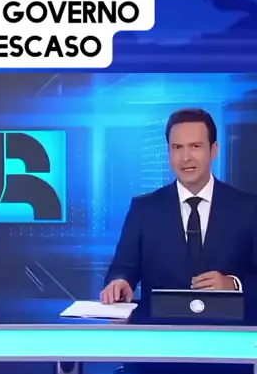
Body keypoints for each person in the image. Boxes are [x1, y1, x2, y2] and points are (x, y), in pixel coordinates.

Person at [101, 107, 257, 309]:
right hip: (160, 325)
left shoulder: (248, 208)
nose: (185, 157)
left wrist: (234, 285)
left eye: (195, 146)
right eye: (177, 147)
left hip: (228, 325)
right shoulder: (144, 209)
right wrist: (120, 283)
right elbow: (122, 269)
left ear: (214, 150)